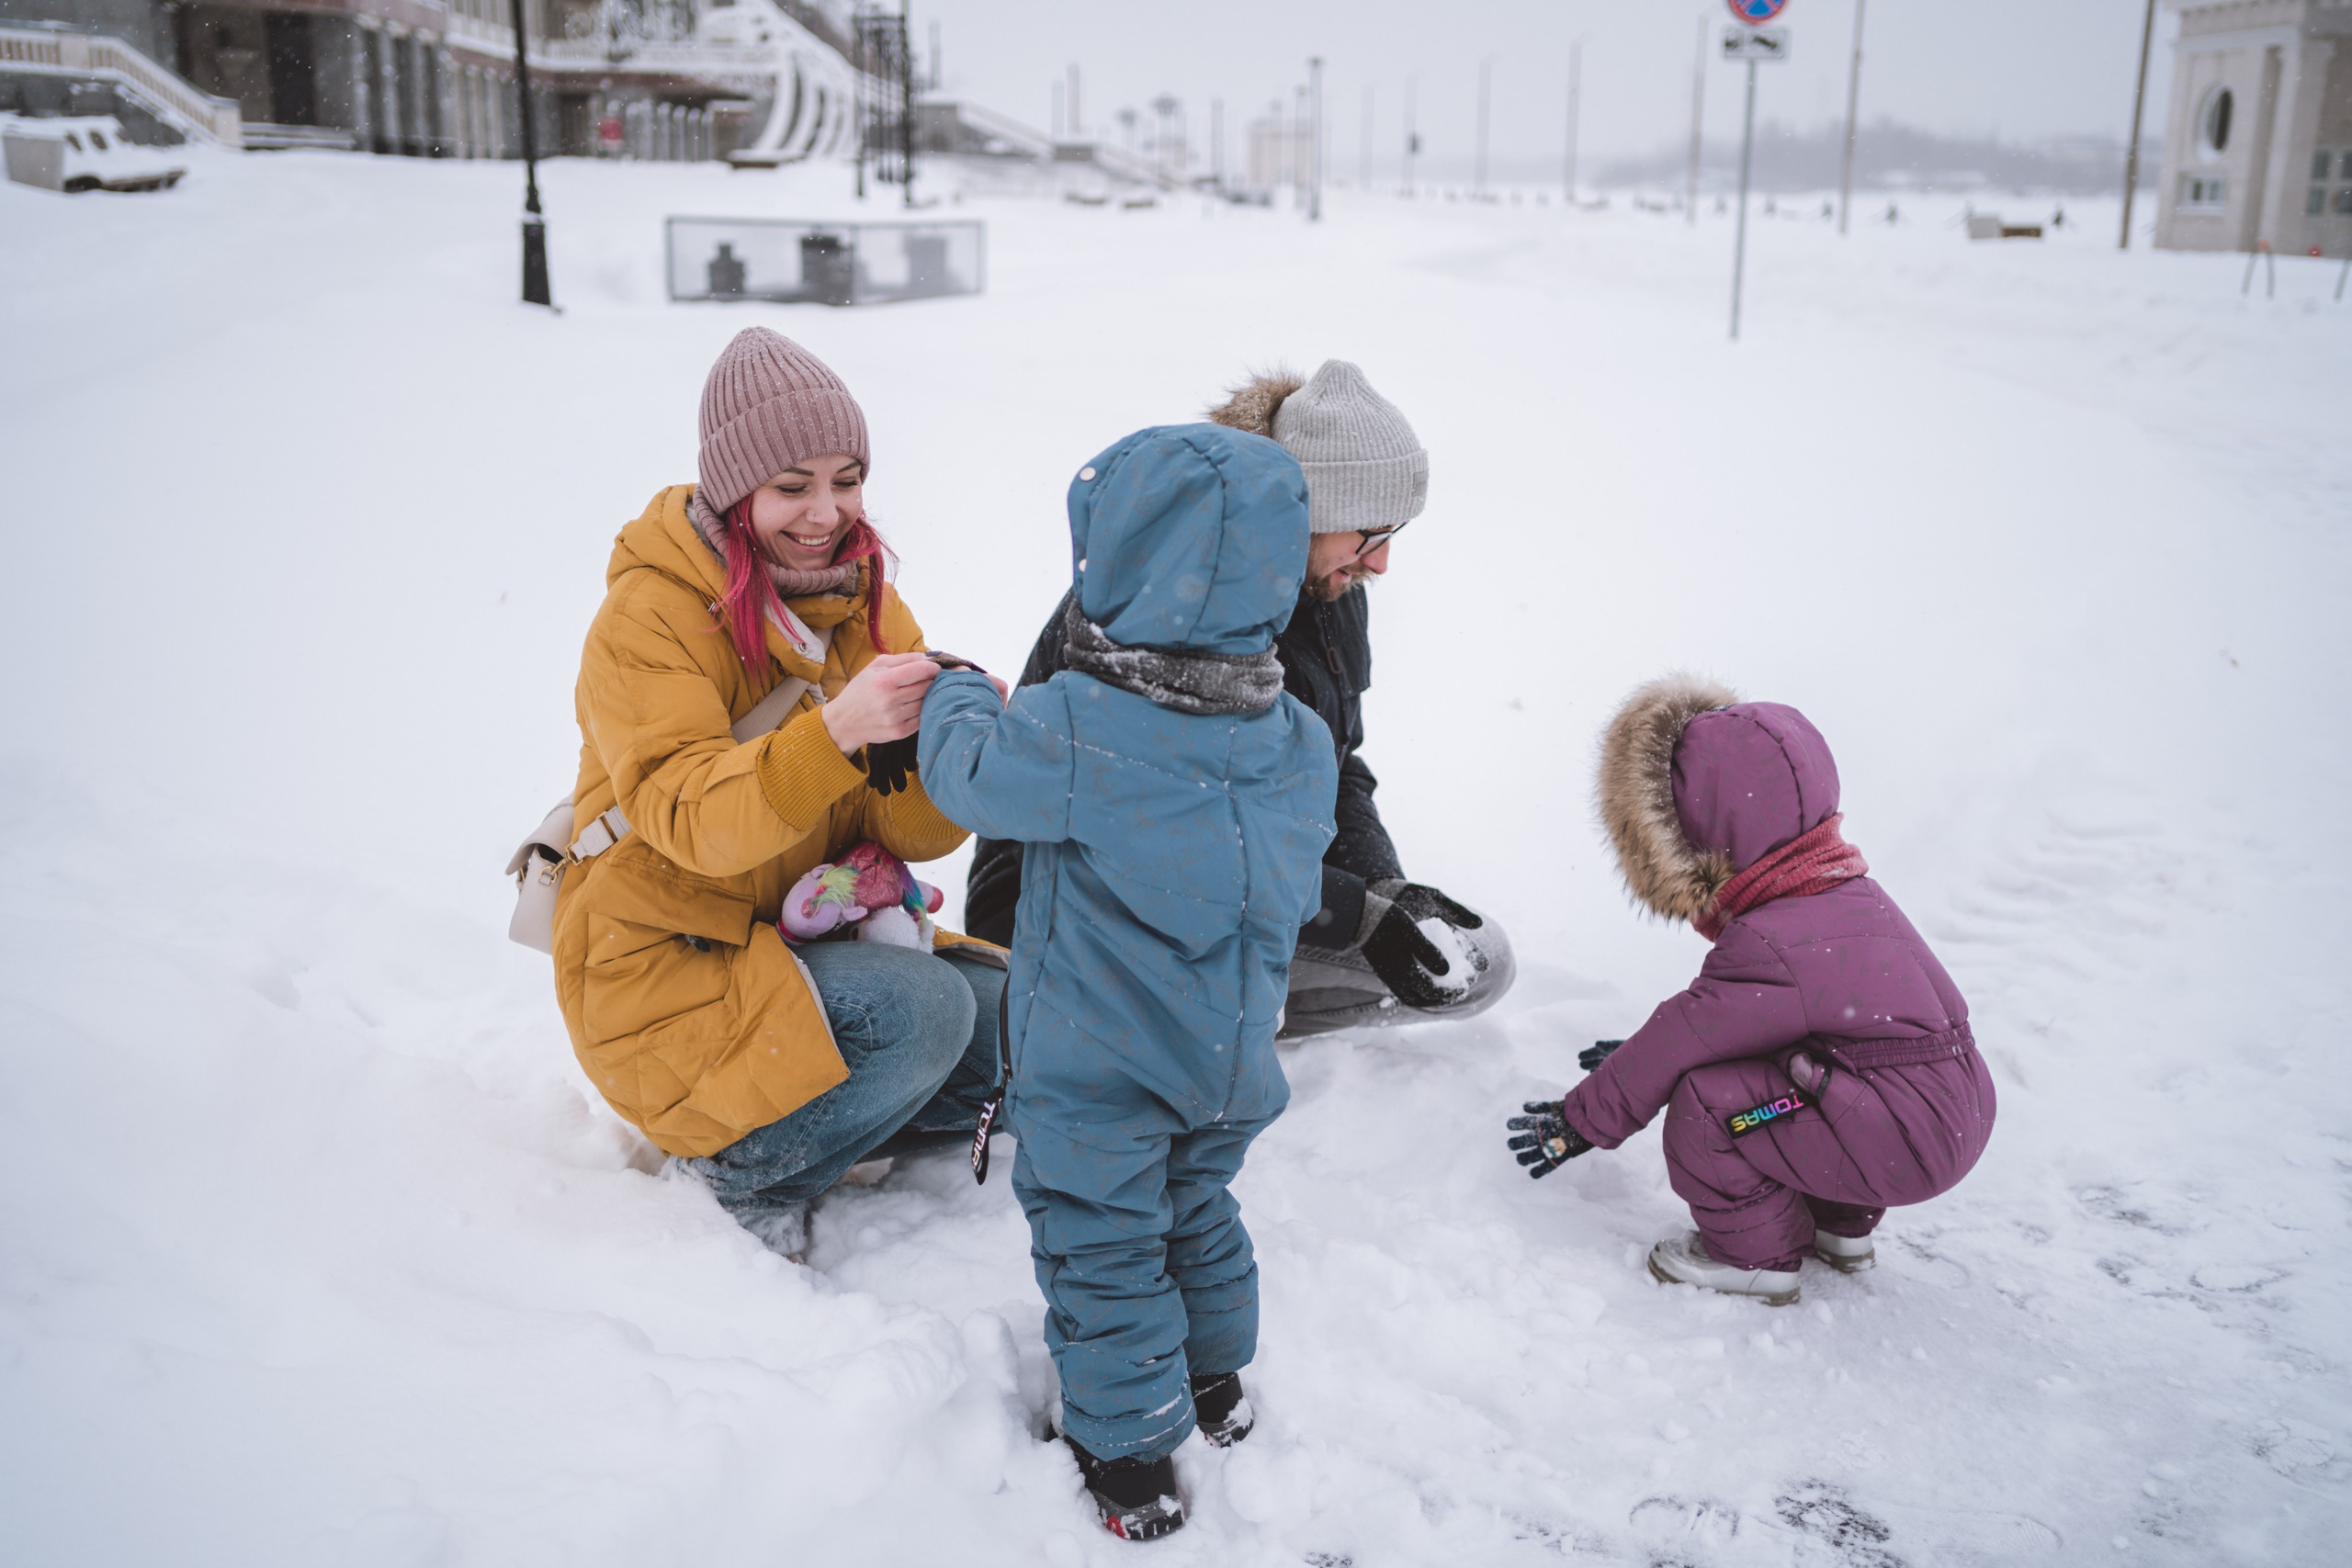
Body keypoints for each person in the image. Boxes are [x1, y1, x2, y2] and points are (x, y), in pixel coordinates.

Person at [918, 424, 1339, 1541]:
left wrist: (957, 693)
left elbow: (966, 776)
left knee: (1100, 1242)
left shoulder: (1069, 730)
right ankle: (1215, 1384)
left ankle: (1127, 1450)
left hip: (1097, 1068)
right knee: (1196, 1207)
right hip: (1231, 1061)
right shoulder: (1297, 737)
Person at [550, 326, 1006, 1258]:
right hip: (662, 976)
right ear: (734, 488)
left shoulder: (861, 597)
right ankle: (739, 1177)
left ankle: (851, 1115)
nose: (824, 511)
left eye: (846, 479)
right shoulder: (648, 616)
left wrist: (950, 748)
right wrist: (838, 731)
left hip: (806, 942)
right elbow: (691, 822)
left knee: (1030, 1021)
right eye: (792, 485)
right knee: (923, 1015)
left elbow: (911, 836)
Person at [963, 362, 1513, 1036]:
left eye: (1393, 535)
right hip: (1071, 913)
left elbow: (1338, 770)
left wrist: (1386, 889)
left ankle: (1204, 1023)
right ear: (1313, 511)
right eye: (1369, 534)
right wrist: (1359, 915)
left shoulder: (1328, 588)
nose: (1380, 563)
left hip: (1230, 890)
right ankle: (1153, 1036)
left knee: (1478, 955)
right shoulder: (1177, 610)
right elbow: (1185, 837)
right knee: (1453, 965)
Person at [1507, 676, 1996, 1306]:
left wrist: (1576, 1122)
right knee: (1800, 1074)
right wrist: (1639, 1055)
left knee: (1710, 1105)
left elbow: (1686, 1035)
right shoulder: (1850, 897)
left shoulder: (1769, 941)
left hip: (1901, 1134)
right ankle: (1838, 1225)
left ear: (1699, 834)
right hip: (1937, 1113)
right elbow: (1744, 1027)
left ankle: (1752, 1258)